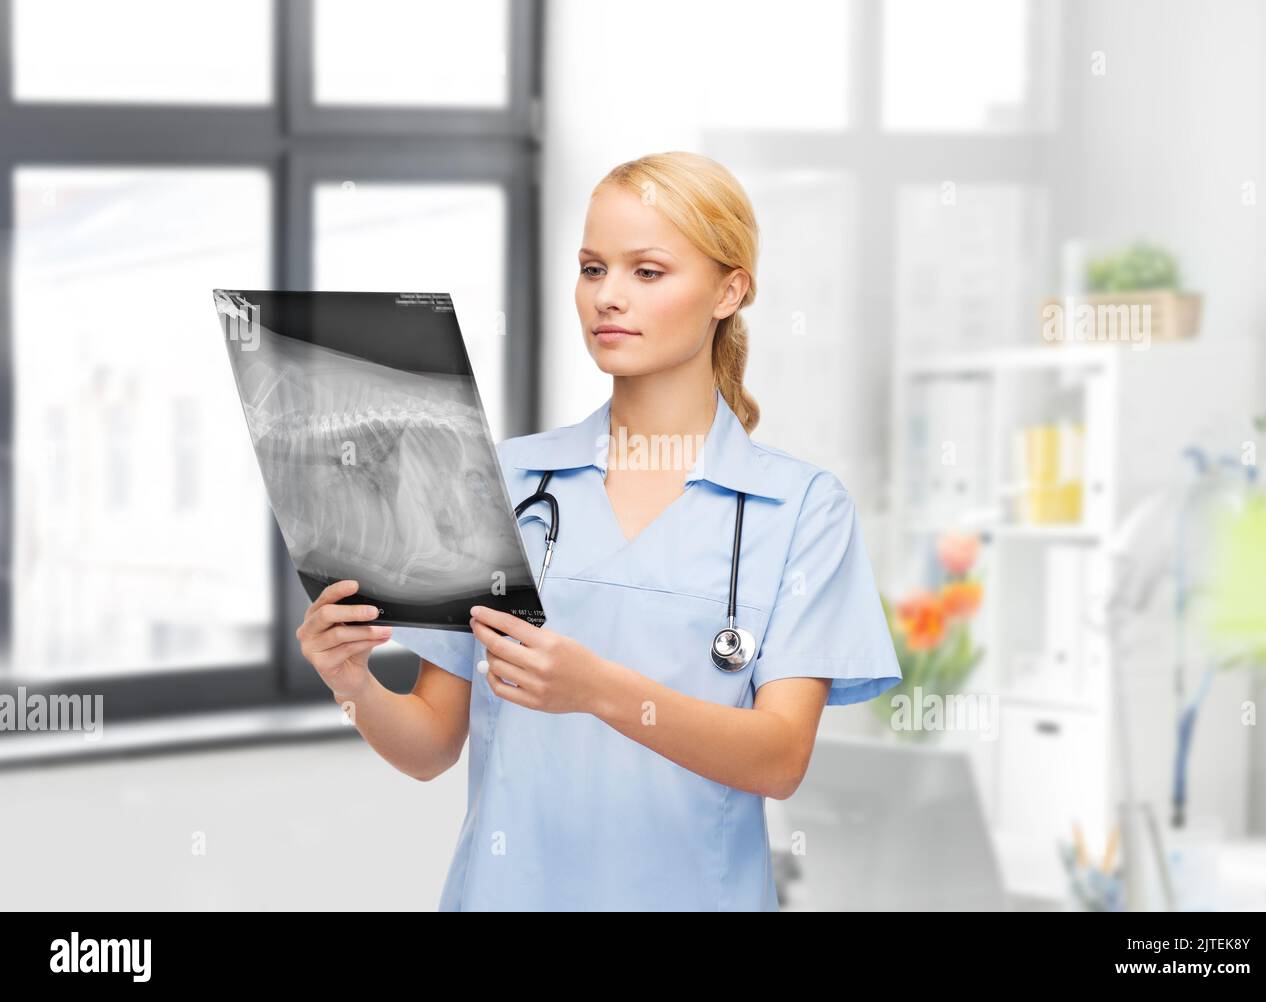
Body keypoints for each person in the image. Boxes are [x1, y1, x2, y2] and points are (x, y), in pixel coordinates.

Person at [297, 151, 902, 911]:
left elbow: (780, 758)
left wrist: (597, 690)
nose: (608, 297)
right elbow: (430, 748)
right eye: (591, 268)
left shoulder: (801, 509)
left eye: (647, 272)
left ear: (730, 289)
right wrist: (349, 682)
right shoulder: (504, 481)